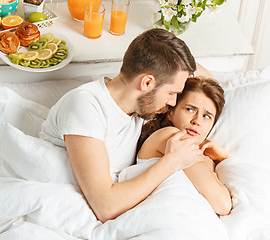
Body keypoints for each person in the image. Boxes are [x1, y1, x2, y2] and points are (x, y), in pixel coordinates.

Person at [40, 28, 207, 223]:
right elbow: (106, 207)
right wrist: (171, 162)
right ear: (146, 83)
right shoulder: (86, 106)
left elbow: (208, 81)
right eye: (171, 93)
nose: (172, 102)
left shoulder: (139, 106)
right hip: (58, 206)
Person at [136, 76, 232, 216]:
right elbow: (222, 204)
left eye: (206, 116)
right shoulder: (169, 136)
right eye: (190, 110)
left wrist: (224, 158)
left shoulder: (206, 155)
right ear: (170, 112)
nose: (197, 121)